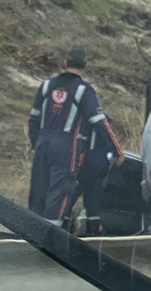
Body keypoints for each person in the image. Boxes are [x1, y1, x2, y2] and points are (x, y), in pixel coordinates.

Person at [28, 49, 124, 227]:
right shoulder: (84, 90)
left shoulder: (46, 85)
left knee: (38, 188)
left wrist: (35, 142)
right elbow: (99, 122)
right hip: (66, 147)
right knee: (60, 190)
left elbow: (34, 117)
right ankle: (49, 238)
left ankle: (31, 230)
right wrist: (116, 150)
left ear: (65, 63)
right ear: (85, 66)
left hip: (42, 143)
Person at [63, 114, 119, 236]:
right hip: (102, 165)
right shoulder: (105, 120)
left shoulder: (84, 120)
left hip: (86, 164)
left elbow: (81, 147)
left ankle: (62, 227)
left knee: (70, 196)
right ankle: (94, 231)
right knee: (93, 199)